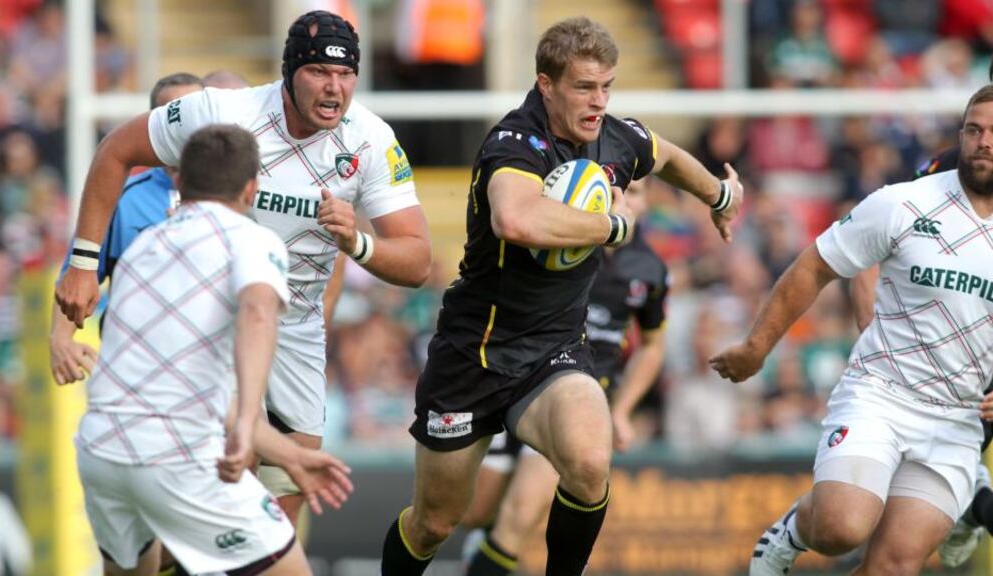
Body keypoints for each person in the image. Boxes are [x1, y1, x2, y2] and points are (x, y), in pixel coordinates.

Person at [378, 17, 742, 576]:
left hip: (554, 350)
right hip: (474, 354)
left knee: (590, 463)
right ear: (546, 84)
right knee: (435, 522)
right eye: (583, 87)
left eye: (606, 87)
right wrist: (612, 228)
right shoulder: (513, 143)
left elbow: (664, 154)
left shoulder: (615, 135)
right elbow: (516, 219)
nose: (598, 101)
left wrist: (717, 194)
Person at [54, 10, 431, 527]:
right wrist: (81, 261)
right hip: (214, 317)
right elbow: (116, 149)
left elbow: (417, 259)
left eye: (345, 75)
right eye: (319, 71)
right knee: (226, 478)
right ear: (289, 71)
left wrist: (358, 242)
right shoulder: (221, 112)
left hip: (295, 326)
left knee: (287, 497)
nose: (334, 88)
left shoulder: (371, 141)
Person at [710, 84, 993, 575]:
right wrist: (756, 348)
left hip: (956, 419)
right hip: (881, 395)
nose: (983, 142)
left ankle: (971, 502)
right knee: (841, 528)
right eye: (974, 130)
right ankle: (793, 529)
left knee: (894, 566)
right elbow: (814, 267)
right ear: (960, 135)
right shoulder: (905, 202)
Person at [75, 124, 353, 576]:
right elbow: (260, 313)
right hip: (177, 454)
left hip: (101, 450)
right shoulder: (252, 239)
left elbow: (187, 386)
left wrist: (291, 455)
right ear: (252, 188)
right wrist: (248, 422)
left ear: (180, 182)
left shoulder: (144, 247)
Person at [461, 178, 669, 576]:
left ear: (647, 201)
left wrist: (622, 411)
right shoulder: (558, 240)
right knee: (471, 513)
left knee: (517, 520)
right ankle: (484, 548)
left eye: (635, 192)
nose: (620, 199)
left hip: (578, 404)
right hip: (518, 388)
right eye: (613, 188)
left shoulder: (650, 269)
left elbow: (653, 345)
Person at [849, 143, 993, 570]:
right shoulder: (957, 167)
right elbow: (876, 244)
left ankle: (972, 499)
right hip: (945, 369)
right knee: (886, 549)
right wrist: (876, 339)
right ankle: (973, 500)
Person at [49, 72, 204, 386]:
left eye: (193, 113)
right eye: (174, 114)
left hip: (209, 368)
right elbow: (76, 277)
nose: (184, 127)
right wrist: (60, 340)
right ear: (153, 124)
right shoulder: (120, 198)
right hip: (134, 371)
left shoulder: (241, 196)